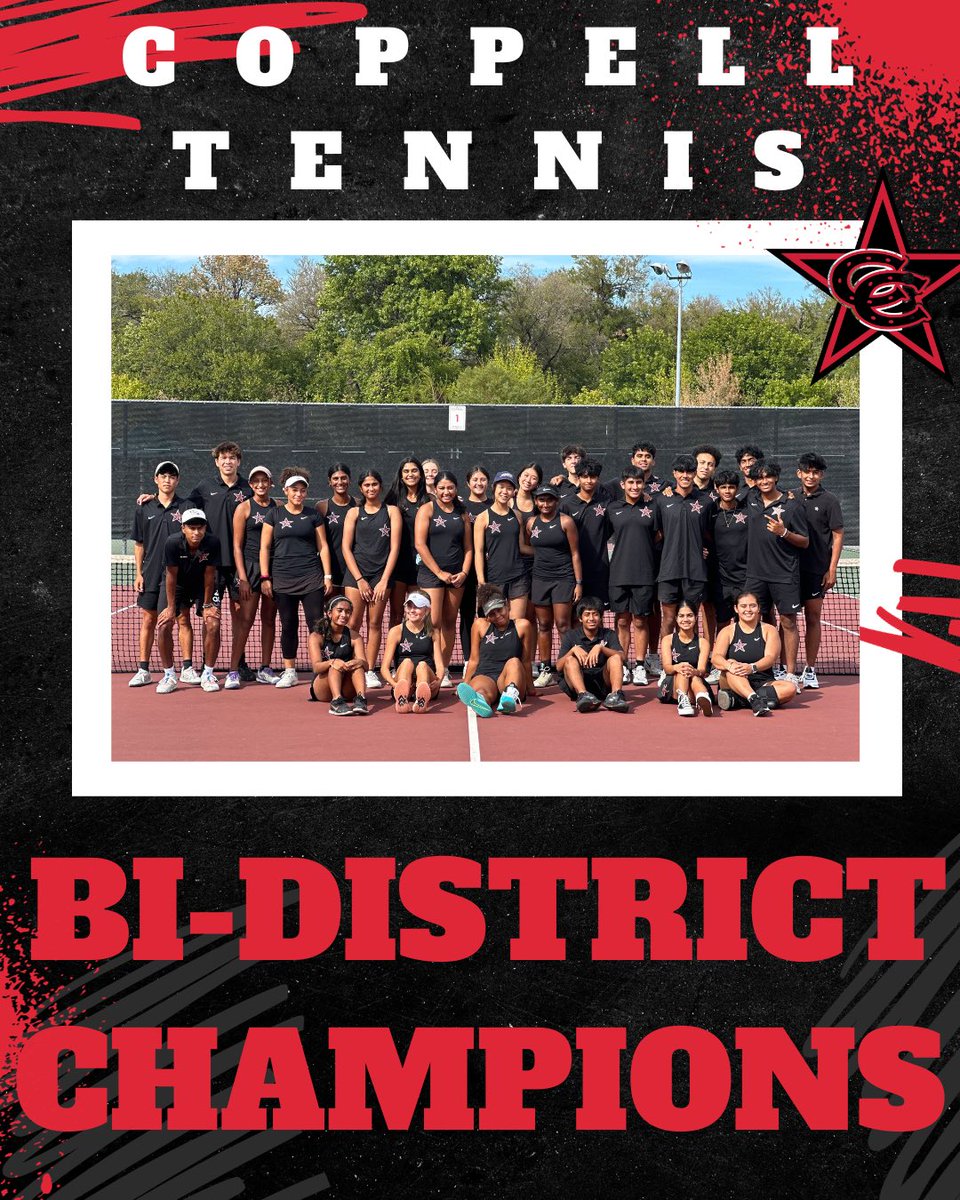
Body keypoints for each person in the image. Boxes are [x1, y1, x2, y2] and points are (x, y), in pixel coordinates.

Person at [186, 441, 256, 680]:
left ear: (239, 462)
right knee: (211, 617)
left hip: (239, 566)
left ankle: (240, 663)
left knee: (239, 616)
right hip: (210, 567)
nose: (228, 462)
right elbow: (181, 506)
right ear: (216, 461)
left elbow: (268, 508)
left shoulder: (248, 488)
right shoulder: (204, 487)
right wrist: (154, 496)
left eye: (232, 458)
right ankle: (208, 665)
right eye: (223, 458)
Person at [260, 468, 334, 688]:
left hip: (311, 578)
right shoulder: (274, 514)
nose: (299, 494)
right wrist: (265, 577)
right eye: (294, 490)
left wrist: (327, 575)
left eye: (302, 490)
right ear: (285, 491)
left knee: (317, 624)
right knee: (288, 624)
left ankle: (320, 669)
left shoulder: (313, 515)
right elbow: (264, 547)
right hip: (283, 579)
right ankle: (289, 670)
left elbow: (323, 547)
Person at [743, 461, 810, 690]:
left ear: (776, 478)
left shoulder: (792, 505)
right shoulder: (750, 499)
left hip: (784, 574)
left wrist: (784, 532)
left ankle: (790, 672)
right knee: (758, 621)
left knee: (788, 622)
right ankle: (766, 667)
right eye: (759, 478)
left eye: (768, 477)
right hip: (755, 575)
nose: (764, 481)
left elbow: (804, 541)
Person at [128, 460, 195, 688]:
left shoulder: (186, 507)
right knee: (149, 620)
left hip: (179, 575)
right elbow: (139, 544)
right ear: (155, 479)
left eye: (172, 476)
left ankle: (187, 668)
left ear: (177, 480)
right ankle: (143, 669)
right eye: (163, 476)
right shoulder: (143, 507)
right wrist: (139, 573)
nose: (167, 479)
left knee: (183, 619)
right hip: (151, 574)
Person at [341, 469, 402, 690]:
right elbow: (346, 548)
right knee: (352, 624)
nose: (371, 489)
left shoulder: (392, 511)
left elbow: (394, 547)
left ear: (380, 486)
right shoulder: (354, 513)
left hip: (381, 576)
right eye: (366, 485)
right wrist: (359, 579)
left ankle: (369, 670)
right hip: (357, 576)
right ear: (360, 488)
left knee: (375, 624)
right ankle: (351, 667)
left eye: (374, 484)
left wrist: (384, 580)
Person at [415, 470, 472, 686]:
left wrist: (464, 573)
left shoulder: (463, 513)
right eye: (442, 488)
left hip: (457, 576)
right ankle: (432, 668)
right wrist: (439, 573)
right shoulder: (427, 509)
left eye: (450, 488)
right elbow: (420, 544)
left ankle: (445, 670)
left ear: (456, 489)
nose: (446, 492)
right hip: (431, 575)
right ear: (435, 489)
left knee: (449, 622)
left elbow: (468, 548)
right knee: (434, 622)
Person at [155, 509, 222, 694]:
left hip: (202, 584)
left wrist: (208, 605)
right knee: (163, 624)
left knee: (213, 623)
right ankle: (169, 675)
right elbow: (171, 576)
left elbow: (210, 575)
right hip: (177, 585)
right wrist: (170, 608)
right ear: (183, 528)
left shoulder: (213, 542)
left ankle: (207, 674)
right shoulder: (172, 543)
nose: (196, 532)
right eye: (191, 528)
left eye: (200, 528)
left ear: (205, 528)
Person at [226, 465, 280, 689]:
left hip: (272, 569)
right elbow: (237, 547)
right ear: (250, 484)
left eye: (264, 480)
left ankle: (265, 668)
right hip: (248, 569)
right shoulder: (244, 508)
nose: (260, 484)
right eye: (256, 481)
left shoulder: (276, 507)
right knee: (245, 620)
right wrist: (243, 577)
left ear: (270, 483)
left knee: (269, 619)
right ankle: (233, 670)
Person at [795, 452, 845, 689]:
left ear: (821, 475)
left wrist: (831, 569)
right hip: (790, 571)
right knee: (787, 620)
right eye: (807, 471)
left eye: (815, 472)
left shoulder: (830, 501)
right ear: (799, 473)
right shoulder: (790, 497)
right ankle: (785, 669)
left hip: (816, 570)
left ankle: (810, 669)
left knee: (813, 618)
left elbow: (837, 535)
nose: (811, 476)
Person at [525, 484, 582, 688]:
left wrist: (578, 583)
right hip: (539, 579)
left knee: (563, 624)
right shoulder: (531, 522)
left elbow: (575, 553)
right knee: (544, 625)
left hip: (563, 579)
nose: (545, 503)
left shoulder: (566, 522)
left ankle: (568, 666)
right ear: (536, 502)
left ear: (556, 501)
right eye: (541, 500)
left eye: (549, 500)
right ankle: (546, 669)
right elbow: (527, 547)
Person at [605, 468, 658, 686]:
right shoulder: (613, 508)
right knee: (622, 620)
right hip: (618, 574)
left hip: (645, 574)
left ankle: (638, 666)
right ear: (622, 485)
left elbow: (659, 535)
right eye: (630, 483)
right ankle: (623, 665)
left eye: (638, 482)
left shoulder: (653, 507)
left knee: (640, 620)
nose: (635, 487)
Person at [711, 591, 797, 716]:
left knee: (790, 688)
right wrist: (730, 666)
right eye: (743, 606)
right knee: (731, 663)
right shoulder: (727, 631)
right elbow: (716, 657)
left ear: (758, 608)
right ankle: (755, 699)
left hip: (763, 682)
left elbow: (771, 658)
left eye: (752, 606)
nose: (748, 610)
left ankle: (738, 700)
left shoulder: (769, 630)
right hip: (734, 679)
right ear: (736, 609)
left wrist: (751, 668)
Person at [654, 454, 711, 638]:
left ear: (694, 473)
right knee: (669, 619)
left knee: (689, 619)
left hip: (695, 572)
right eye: (681, 472)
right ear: (674, 473)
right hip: (669, 571)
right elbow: (657, 535)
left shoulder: (706, 502)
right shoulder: (662, 500)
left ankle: (690, 661)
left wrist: (706, 549)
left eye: (689, 472)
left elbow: (710, 534)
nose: (685, 475)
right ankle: (666, 662)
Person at [457, 584, 534, 717]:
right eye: (492, 614)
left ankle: (509, 698)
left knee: (514, 662)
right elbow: (474, 659)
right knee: (481, 690)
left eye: (499, 610)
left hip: (510, 677)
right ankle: (482, 702)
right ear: (487, 616)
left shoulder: (522, 626)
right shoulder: (480, 625)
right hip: (486, 675)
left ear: (507, 605)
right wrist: (465, 683)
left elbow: (526, 661)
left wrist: (531, 688)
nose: (498, 615)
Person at [473, 471, 532, 619]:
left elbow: (522, 547)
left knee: (517, 624)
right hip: (494, 580)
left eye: (509, 488)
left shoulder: (517, 515)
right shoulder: (482, 517)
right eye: (501, 487)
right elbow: (479, 552)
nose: (505, 491)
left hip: (518, 578)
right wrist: (481, 581)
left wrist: (550, 552)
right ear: (494, 488)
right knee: (493, 624)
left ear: (514, 492)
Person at [555, 596, 629, 712]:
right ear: (580, 618)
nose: (591, 618)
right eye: (587, 614)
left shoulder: (609, 634)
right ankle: (583, 696)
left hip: (603, 682)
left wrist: (601, 648)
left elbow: (623, 657)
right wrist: (573, 650)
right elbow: (558, 666)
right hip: (578, 682)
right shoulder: (570, 635)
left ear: (600, 618)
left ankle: (615, 696)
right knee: (569, 660)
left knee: (615, 658)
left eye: (595, 614)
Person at [381, 591, 443, 714]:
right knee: (407, 662)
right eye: (409, 606)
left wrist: (439, 681)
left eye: (417, 607)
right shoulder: (396, 631)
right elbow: (384, 668)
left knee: (422, 665)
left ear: (427, 610)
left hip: (428, 680)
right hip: (404, 680)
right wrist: (395, 685)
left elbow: (440, 665)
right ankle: (402, 697)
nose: (412, 610)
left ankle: (422, 697)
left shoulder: (433, 632)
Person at [560, 458, 611, 607]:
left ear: (598, 478)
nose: (589, 480)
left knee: (597, 614)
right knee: (574, 617)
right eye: (585, 476)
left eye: (593, 477)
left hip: (599, 570)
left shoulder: (607, 502)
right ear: (579, 477)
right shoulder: (566, 504)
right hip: (571, 572)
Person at [307, 595, 369, 715]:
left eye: (348, 612)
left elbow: (366, 665)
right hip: (323, 687)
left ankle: (361, 699)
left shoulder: (355, 636)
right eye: (340, 611)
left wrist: (358, 662)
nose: (344, 615)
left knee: (359, 665)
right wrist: (332, 662)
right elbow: (316, 667)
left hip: (347, 687)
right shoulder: (316, 636)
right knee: (335, 666)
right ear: (330, 613)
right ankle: (336, 701)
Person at [385, 457, 428, 627]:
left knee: (420, 613)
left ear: (420, 474)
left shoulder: (429, 500)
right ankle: (394, 653)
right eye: (406, 471)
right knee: (397, 614)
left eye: (414, 470)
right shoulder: (392, 500)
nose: (410, 474)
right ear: (401, 475)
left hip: (422, 566)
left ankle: (420, 652)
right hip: (398, 565)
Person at [706, 469, 749, 632]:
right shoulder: (710, 512)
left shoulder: (747, 511)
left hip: (745, 578)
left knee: (745, 621)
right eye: (723, 487)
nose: (727, 491)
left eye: (731, 487)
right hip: (720, 580)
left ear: (737, 489)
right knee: (723, 622)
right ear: (717, 488)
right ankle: (720, 655)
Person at [658, 600, 713, 717]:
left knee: (693, 675)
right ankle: (684, 699)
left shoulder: (703, 642)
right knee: (683, 669)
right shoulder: (667, 640)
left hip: (695, 681)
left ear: (695, 618)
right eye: (681, 616)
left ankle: (702, 696)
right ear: (676, 619)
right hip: (672, 685)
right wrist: (677, 667)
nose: (685, 619)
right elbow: (667, 668)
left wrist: (694, 671)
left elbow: (702, 670)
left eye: (689, 615)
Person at [459, 465, 491, 666]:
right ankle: (468, 660)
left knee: (488, 613)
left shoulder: (496, 505)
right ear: (468, 483)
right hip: (466, 571)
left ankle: (487, 657)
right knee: (467, 615)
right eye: (475, 480)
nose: (479, 484)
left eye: (483, 480)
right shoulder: (460, 507)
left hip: (491, 570)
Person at [316, 463, 357, 593]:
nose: (340, 482)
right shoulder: (321, 507)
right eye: (335, 478)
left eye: (344, 478)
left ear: (349, 480)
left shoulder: (359, 504)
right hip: (330, 571)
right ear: (330, 482)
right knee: (330, 611)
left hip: (354, 571)